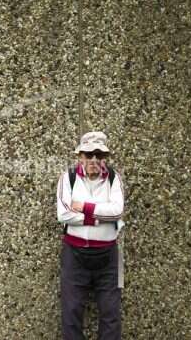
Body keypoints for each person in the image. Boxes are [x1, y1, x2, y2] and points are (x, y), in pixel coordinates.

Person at [56, 131, 125, 340]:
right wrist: (98, 217)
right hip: (74, 255)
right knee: (71, 312)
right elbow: (64, 214)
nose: (94, 160)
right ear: (80, 156)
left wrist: (84, 207)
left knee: (111, 314)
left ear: (105, 157)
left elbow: (117, 211)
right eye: (88, 154)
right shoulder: (67, 178)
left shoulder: (114, 178)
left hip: (109, 257)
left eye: (99, 155)